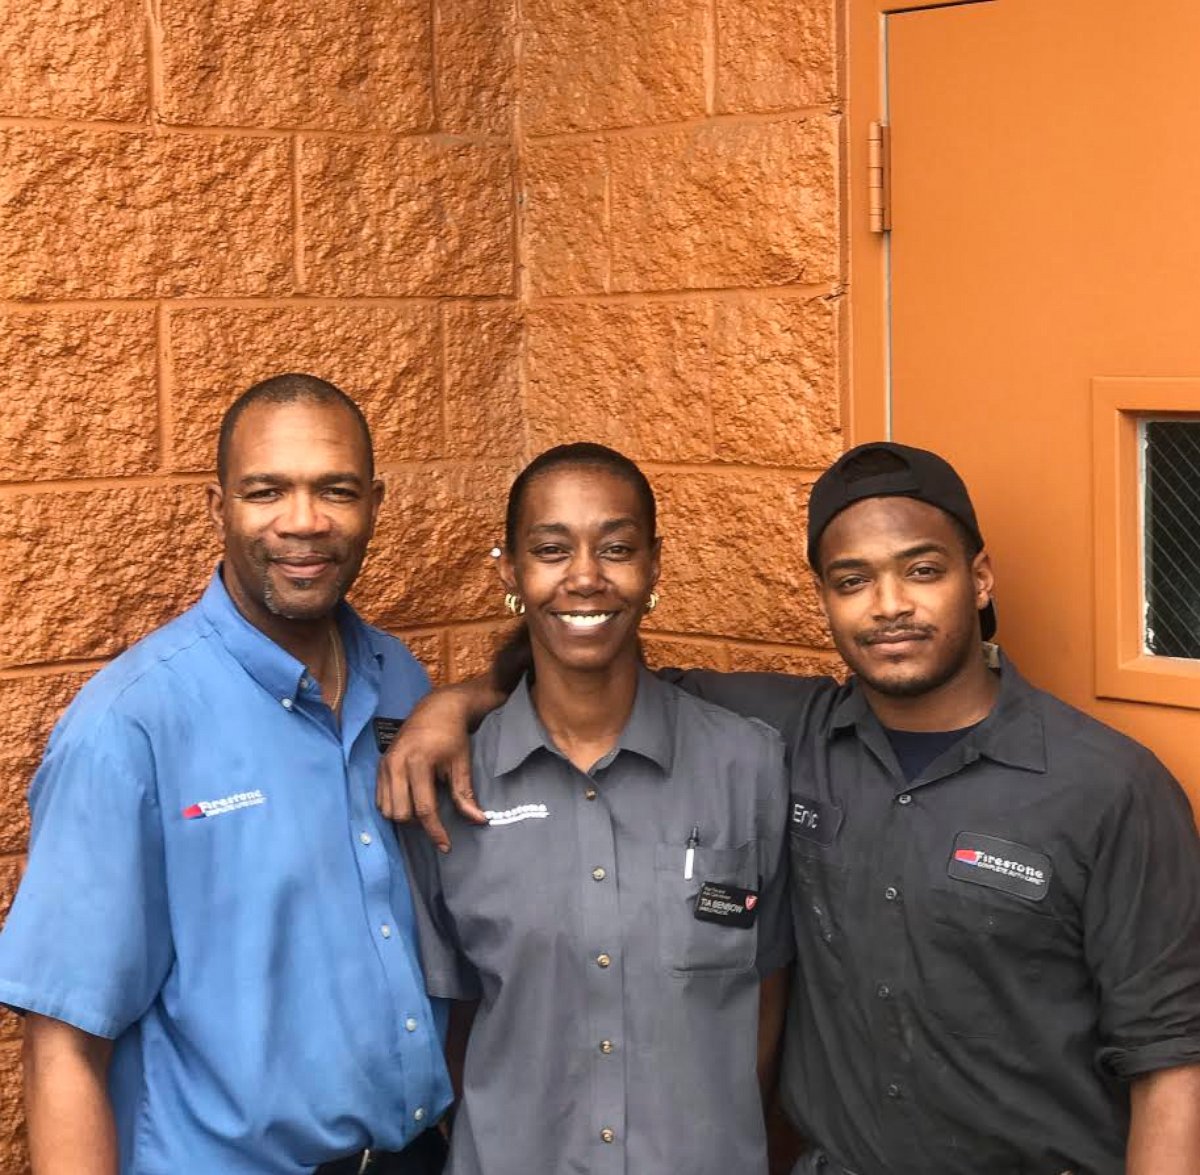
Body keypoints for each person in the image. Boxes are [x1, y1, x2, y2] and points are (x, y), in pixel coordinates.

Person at [379, 441, 1200, 1175]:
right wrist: (453, 705)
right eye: (853, 580)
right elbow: (587, 667)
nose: (889, 605)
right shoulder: (790, 737)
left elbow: (1172, 1059)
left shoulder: (1108, 785)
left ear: (978, 577)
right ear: (824, 596)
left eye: (921, 569)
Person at [0, 374, 452, 1175]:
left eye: (336, 490)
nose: (303, 522)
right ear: (219, 509)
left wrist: (474, 696)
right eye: (266, 490)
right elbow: (62, 1046)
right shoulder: (129, 726)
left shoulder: (400, 681)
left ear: (375, 503)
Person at [400, 443, 792, 1175]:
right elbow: (448, 1017)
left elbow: (765, 990)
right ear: (511, 572)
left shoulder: (748, 764)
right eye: (552, 549)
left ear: (654, 566)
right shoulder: (452, 786)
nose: (584, 576)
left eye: (616, 547)